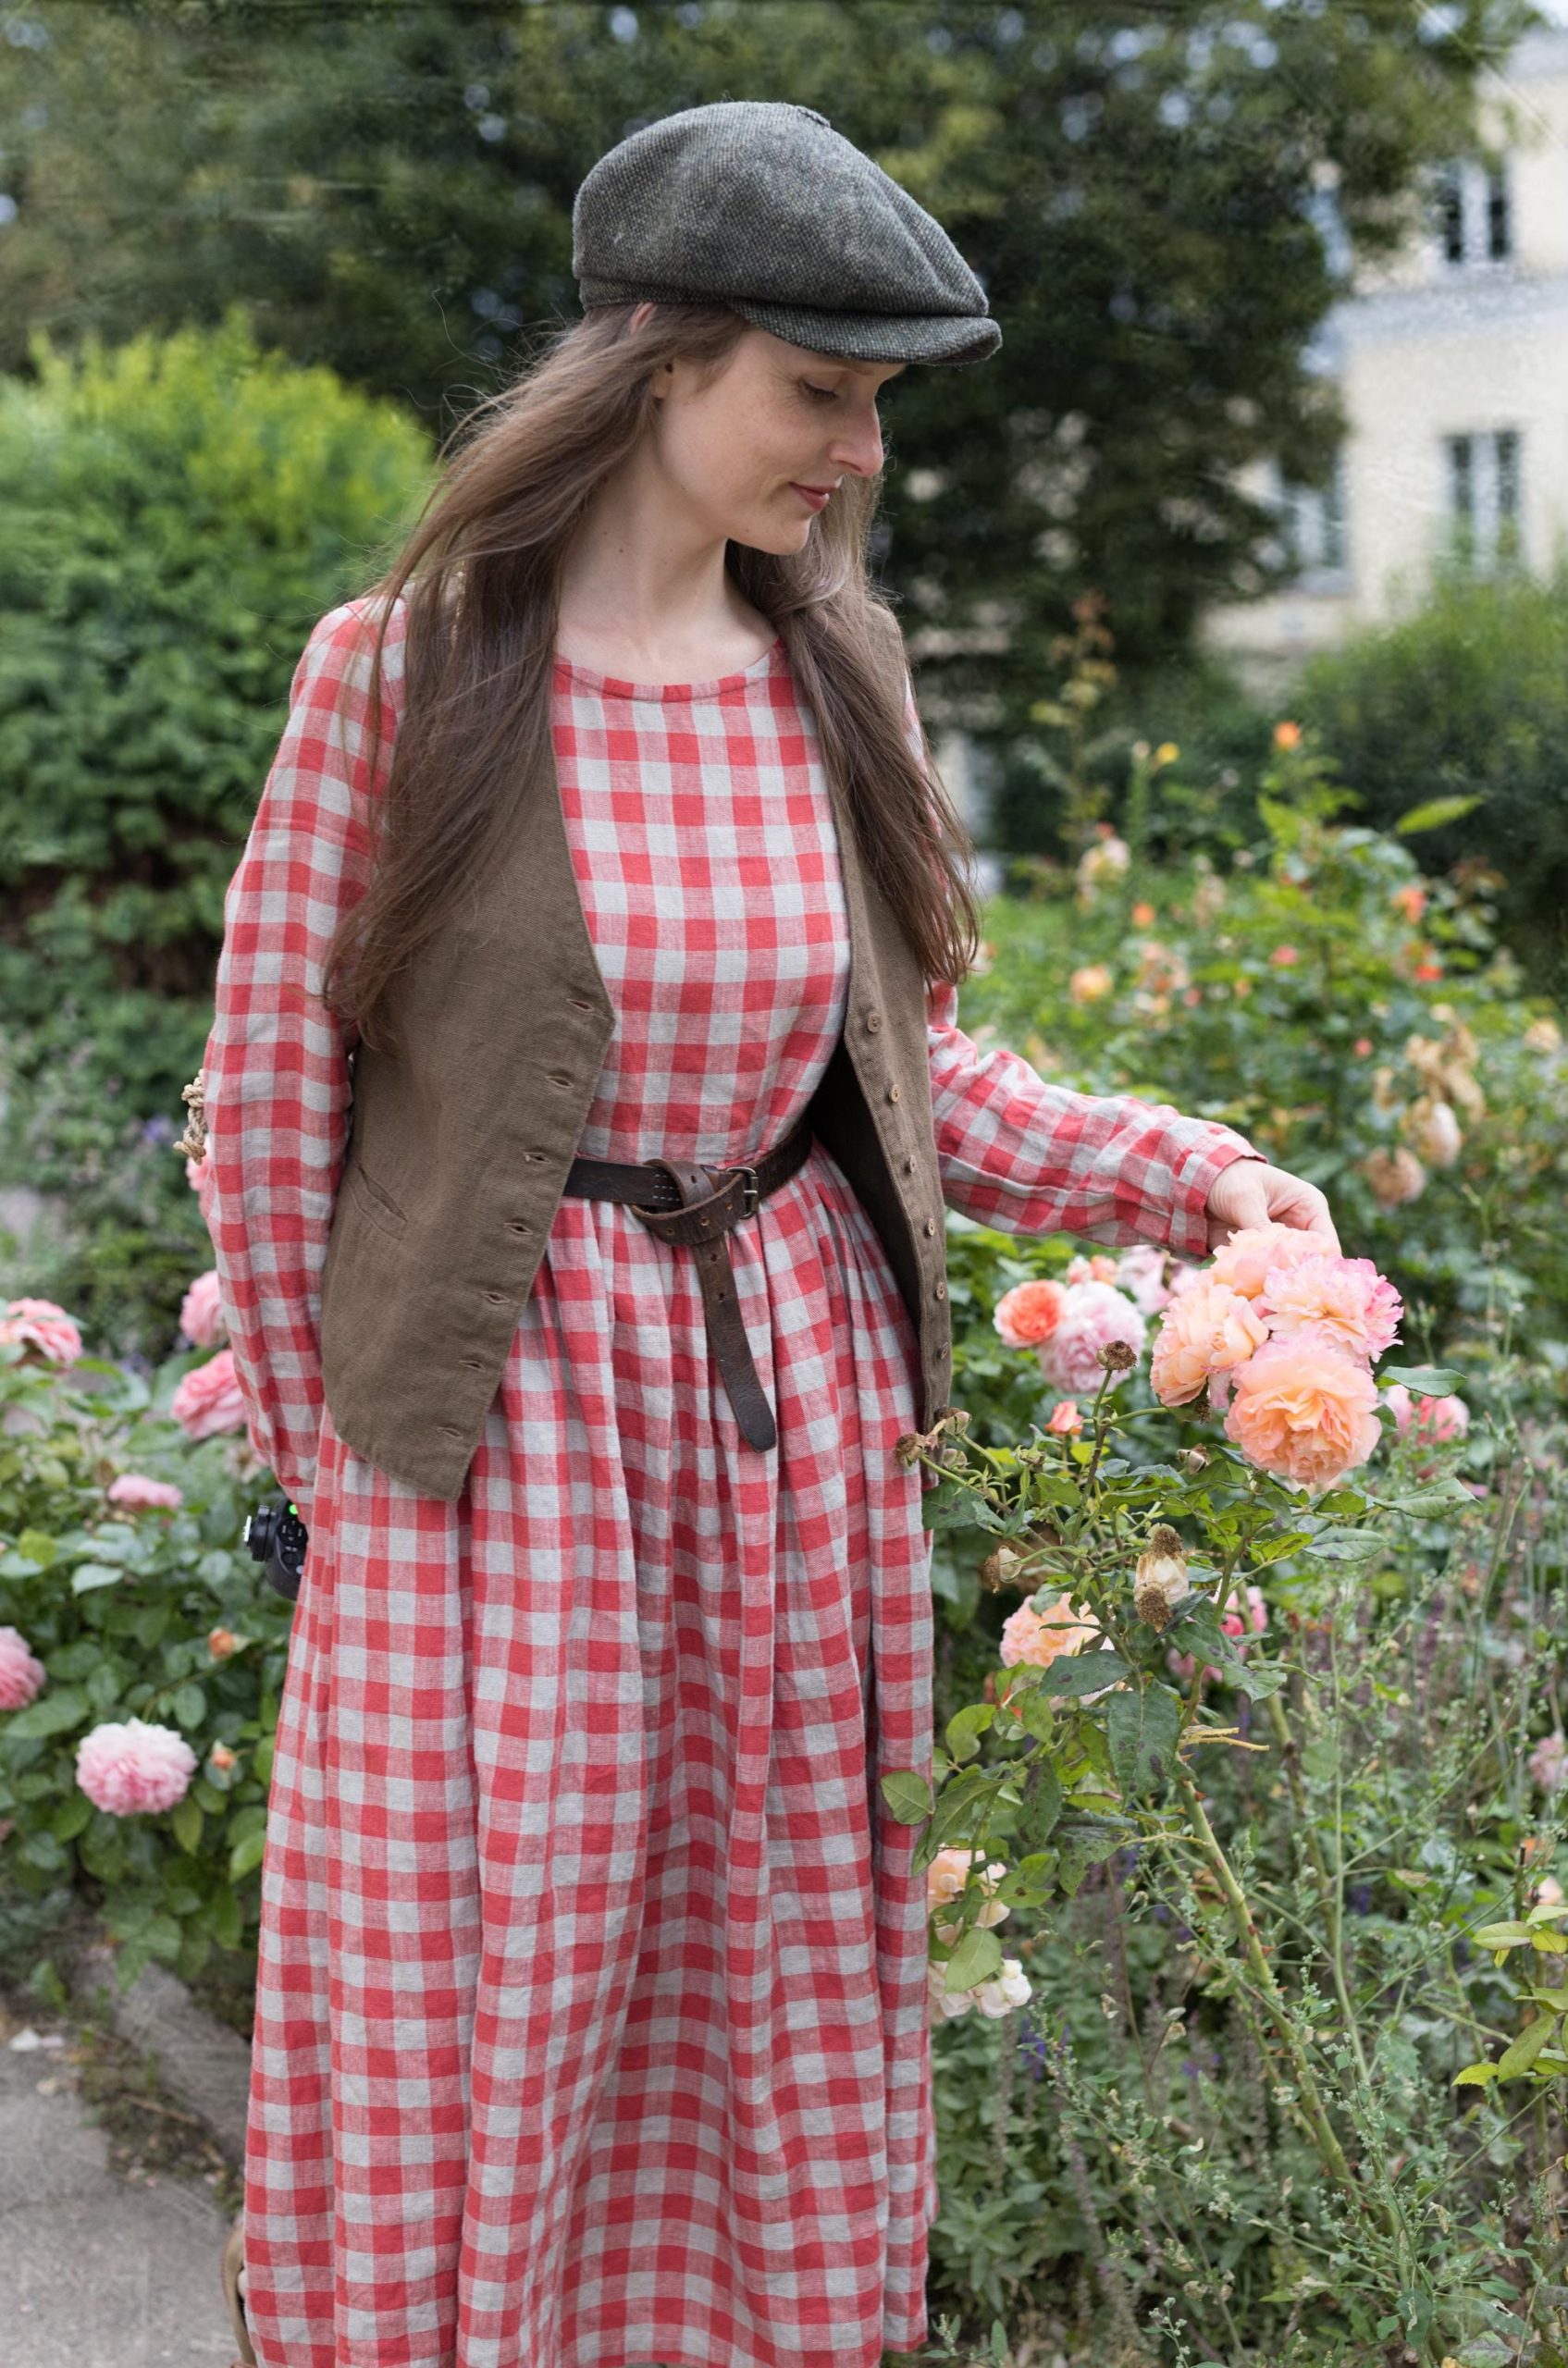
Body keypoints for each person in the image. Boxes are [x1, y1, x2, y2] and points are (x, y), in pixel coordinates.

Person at [204, 99, 1337, 2368]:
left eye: (874, 402)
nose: (857, 450)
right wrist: (349, 1474)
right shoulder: (404, 669)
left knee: (765, 1952)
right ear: (657, 364)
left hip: (784, 1414)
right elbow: (264, 1104)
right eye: (817, 392)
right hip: (508, 1433)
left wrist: (1181, 1165)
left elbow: (923, 1068)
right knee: (508, 1952)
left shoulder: (838, 670)